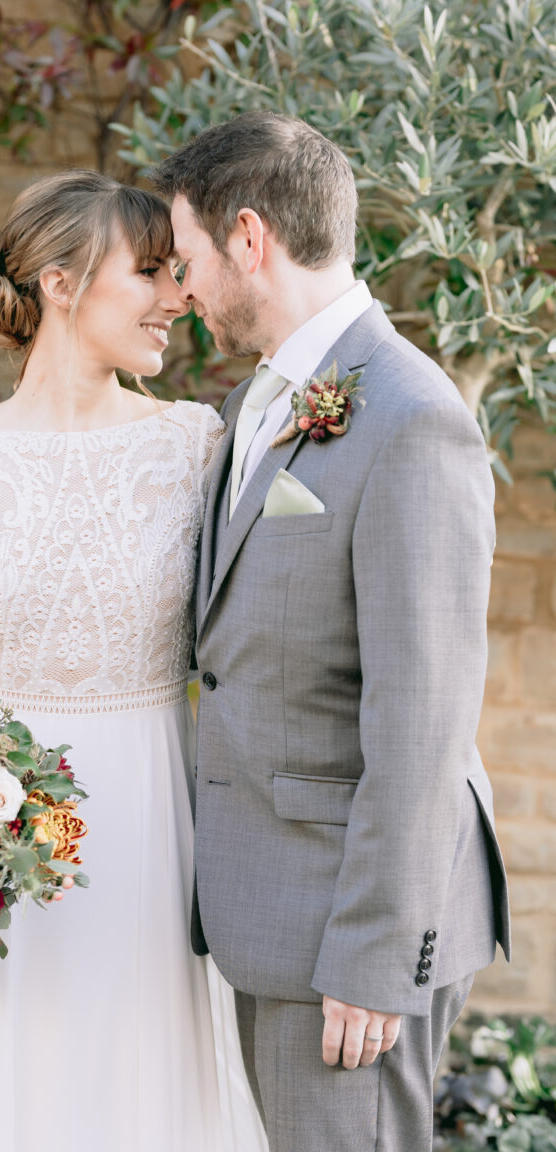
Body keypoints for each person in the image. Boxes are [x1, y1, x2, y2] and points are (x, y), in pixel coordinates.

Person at [0, 170, 267, 1152]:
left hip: (150, 834)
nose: (177, 297)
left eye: (180, 275)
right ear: (60, 281)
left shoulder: (194, 445)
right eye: (150, 273)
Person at [147, 111, 511, 1152]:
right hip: (272, 904)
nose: (183, 291)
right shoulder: (252, 405)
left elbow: (425, 716)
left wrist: (373, 955)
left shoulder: (411, 417)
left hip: (344, 929)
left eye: (190, 261)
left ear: (249, 238)